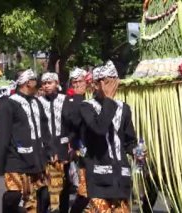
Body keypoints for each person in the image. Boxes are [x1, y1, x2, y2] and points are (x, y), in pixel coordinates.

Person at [0, 69, 55, 213]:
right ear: (27, 83)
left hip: (36, 159)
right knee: (14, 195)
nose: (38, 85)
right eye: (35, 81)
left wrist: (50, 150)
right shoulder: (8, 104)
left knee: (43, 196)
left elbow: (45, 130)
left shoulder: (37, 103)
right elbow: (2, 134)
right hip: (16, 159)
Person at [79, 61, 138, 212]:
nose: (111, 86)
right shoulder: (87, 106)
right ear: (96, 85)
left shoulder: (124, 108)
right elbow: (99, 128)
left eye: (114, 82)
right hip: (99, 176)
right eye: (107, 82)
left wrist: (137, 151)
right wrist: (109, 100)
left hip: (120, 177)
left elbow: (129, 141)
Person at [38, 72, 77, 213]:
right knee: (45, 189)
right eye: (44, 83)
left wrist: (70, 143)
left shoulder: (66, 100)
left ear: (57, 83)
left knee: (64, 186)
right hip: (45, 150)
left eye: (50, 83)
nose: (47, 86)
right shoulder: (39, 102)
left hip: (63, 150)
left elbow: (73, 126)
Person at [66, 67, 91, 213]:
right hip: (82, 147)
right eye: (74, 82)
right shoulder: (71, 100)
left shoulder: (93, 96)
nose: (76, 84)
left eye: (79, 81)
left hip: (97, 148)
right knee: (84, 191)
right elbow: (73, 122)